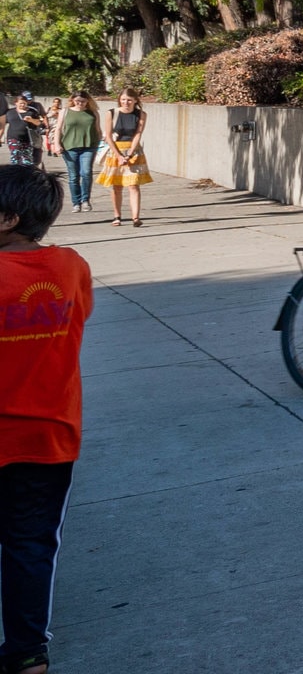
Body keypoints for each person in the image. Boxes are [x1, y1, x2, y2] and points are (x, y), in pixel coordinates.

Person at [0, 163, 93, 674]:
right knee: (30, 545)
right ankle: (27, 652)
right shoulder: (71, 268)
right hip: (50, 435)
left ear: (7, 219)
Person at [93, 91, 149, 227]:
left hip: (133, 151)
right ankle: (117, 216)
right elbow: (108, 136)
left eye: (129, 100)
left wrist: (129, 154)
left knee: (133, 185)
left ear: (135, 100)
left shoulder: (141, 114)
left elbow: (138, 134)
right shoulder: (112, 113)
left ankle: (136, 217)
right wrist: (119, 156)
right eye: (123, 100)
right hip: (115, 150)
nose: (126, 103)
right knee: (117, 186)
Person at [49, 98, 97, 217]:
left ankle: (85, 200)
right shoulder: (65, 112)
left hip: (88, 146)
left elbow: (98, 129)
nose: (80, 103)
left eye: (83, 101)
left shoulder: (92, 112)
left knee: (86, 172)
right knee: (73, 176)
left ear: (87, 101)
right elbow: (58, 129)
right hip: (70, 147)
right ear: (73, 101)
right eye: (77, 101)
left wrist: (99, 144)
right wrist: (56, 144)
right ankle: (76, 202)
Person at [0, 99, 40, 168]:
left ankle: (26, 175)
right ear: (16, 103)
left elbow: (39, 123)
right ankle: (15, 174)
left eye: (24, 103)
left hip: (27, 139)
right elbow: (2, 124)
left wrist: (31, 120)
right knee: (15, 157)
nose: (22, 105)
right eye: (21, 103)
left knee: (27, 159)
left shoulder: (31, 112)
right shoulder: (10, 112)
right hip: (13, 138)